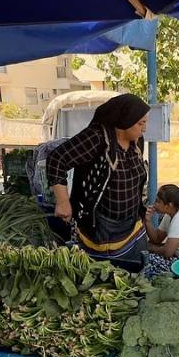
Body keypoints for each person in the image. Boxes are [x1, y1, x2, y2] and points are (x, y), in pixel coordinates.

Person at [47, 94, 150, 259]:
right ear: (125, 120)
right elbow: (57, 159)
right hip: (103, 228)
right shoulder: (98, 137)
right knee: (110, 276)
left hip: (133, 224)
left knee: (138, 272)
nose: (144, 129)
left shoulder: (136, 141)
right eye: (141, 123)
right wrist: (63, 202)